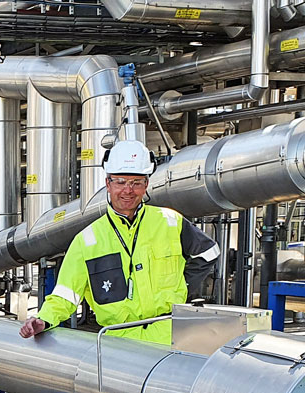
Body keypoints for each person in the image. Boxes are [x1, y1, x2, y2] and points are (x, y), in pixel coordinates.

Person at [18, 138, 220, 344]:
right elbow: (66, 294)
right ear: (108, 183)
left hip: (169, 336)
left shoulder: (170, 222)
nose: (128, 190)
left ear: (146, 184)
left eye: (136, 183)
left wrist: (182, 287)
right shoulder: (88, 240)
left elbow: (209, 252)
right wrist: (43, 319)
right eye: (121, 182)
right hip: (118, 344)